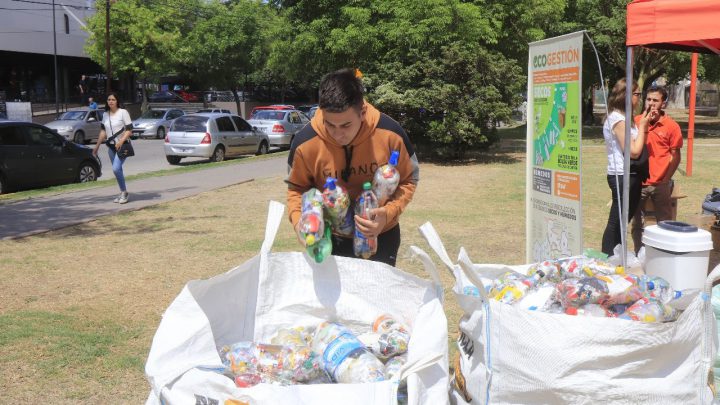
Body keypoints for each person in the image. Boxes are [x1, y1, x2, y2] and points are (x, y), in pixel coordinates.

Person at [286, 68, 420, 266]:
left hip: (381, 235)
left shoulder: (391, 133)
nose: (337, 134)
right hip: (332, 239)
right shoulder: (305, 143)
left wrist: (387, 214)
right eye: (329, 124)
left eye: (346, 125)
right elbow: (296, 189)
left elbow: (409, 179)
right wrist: (299, 223)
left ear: (363, 112)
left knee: (378, 296)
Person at [600, 79, 654, 256]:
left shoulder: (625, 118)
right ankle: (608, 258)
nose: (640, 98)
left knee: (623, 221)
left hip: (631, 174)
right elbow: (634, 151)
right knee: (617, 221)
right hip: (623, 175)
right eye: (638, 94)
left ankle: (616, 256)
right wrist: (644, 127)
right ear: (626, 95)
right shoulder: (618, 119)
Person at [631, 85, 683, 252]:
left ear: (663, 104)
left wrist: (666, 179)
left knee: (665, 223)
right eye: (648, 99)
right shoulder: (636, 121)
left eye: (656, 100)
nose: (651, 103)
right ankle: (640, 253)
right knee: (637, 223)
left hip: (660, 183)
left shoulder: (672, 126)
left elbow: (676, 156)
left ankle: (663, 254)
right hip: (638, 182)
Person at [92, 92, 133, 204]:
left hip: (122, 145)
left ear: (117, 101)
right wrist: (97, 147)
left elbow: (129, 130)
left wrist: (120, 141)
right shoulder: (105, 114)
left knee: (115, 168)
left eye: (113, 99)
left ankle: (124, 193)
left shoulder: (123, 112)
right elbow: (103, 132)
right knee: (117, 170)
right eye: (109, 99)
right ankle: (122, 192)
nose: (111, 101)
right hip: (111, 147)